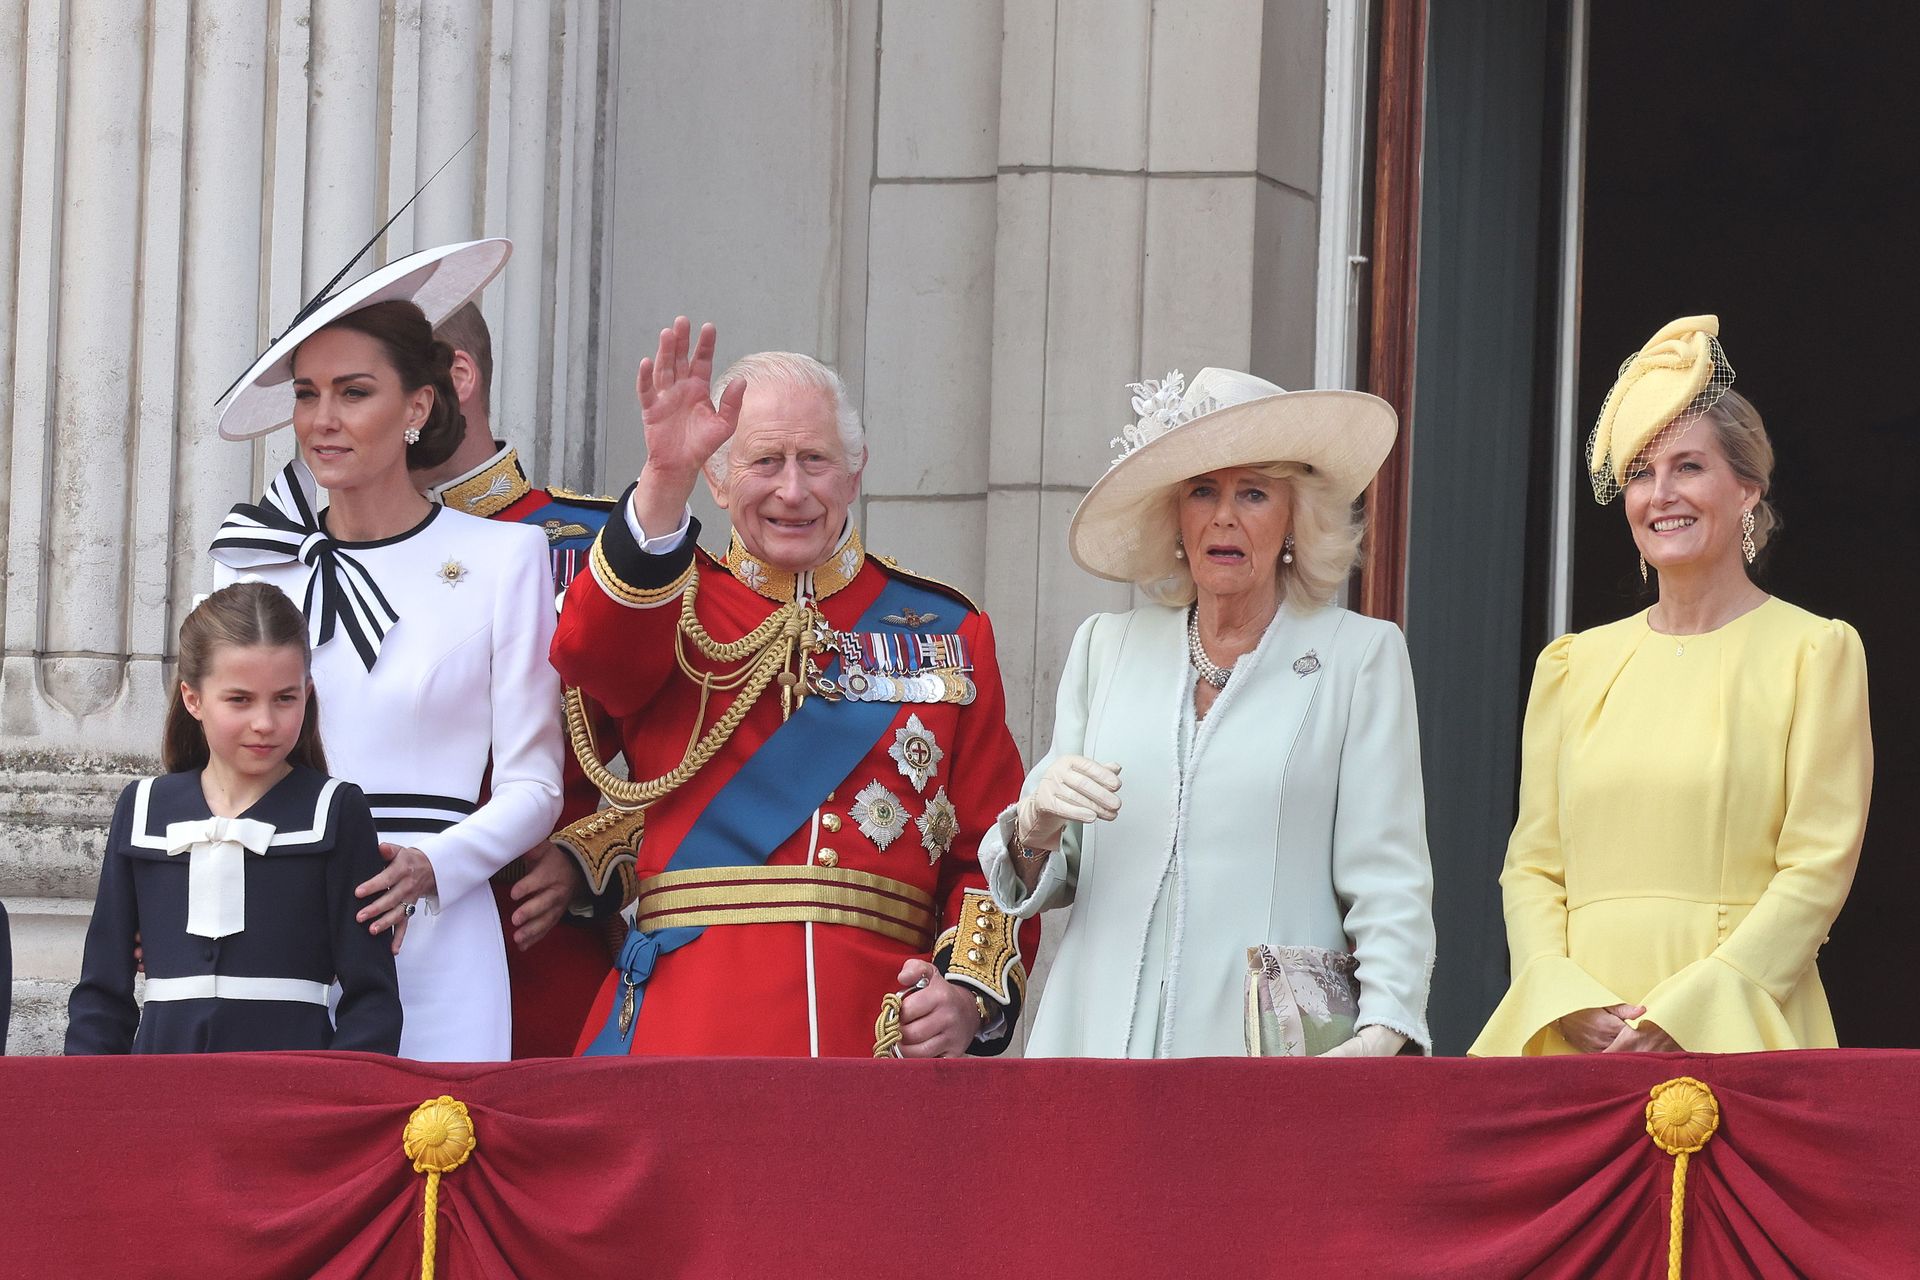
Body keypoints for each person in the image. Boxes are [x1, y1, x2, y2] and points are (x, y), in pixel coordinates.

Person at [549, 317, 1036, 1057]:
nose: (793, 490)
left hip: (874, 1036)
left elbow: (994, 852)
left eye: (816, 460)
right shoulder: (665, 598)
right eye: (764, 461)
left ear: (856, 470)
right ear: (716, 476)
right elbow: (591, 658)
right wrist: (661, 482)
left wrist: (965, 995)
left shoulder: (947, 630)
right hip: (690, 1027)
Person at [979, 368, 1436, 1058]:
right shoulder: (1108, 646)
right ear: (1175, 517)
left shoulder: (1358, 656)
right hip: (1094, 1043)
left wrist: (1384, 1029)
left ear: (1292, 518)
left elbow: (1389, 877)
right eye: (1203, 491)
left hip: (1270, 1057)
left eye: (1253, 493)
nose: (1224, 516)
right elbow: (1048, 868)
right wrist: (1033, 824)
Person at [1472, 315, 1872, 1056]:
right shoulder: (1572, 666)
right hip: (1578, 1034)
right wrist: (1560, 992)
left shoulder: (1815, 652)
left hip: (1737, 1023)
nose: (1660, 494)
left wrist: (1694, 1011)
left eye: (1688, 466)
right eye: (1639, 473)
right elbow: (1532, 864)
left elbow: (1817, 868)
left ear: (1748, 488)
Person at [209, 239, 563, 1061]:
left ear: (418, 406)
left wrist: (434, 865)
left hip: (439, 929)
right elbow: (204, 765)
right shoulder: (249, 564)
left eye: (353, 392)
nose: (322, 420)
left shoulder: (506, 559)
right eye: (307, 394)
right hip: (267, 920)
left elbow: (534, 784)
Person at [65, 583, 402, 1054]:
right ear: (193, 698)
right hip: (159, 1085)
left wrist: (338, 1101)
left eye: (285, 698)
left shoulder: (335, 810)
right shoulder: (142, 808)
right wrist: (89, 1105)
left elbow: (373, 997)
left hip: (290, 1084)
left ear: (308, 693)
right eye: (239, 700)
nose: (264, 722)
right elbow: (102, 991)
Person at [412, 301, 620, 1059]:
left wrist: (589, 856)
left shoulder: (597, 553)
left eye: (361, 387)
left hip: (533, 942)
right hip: (360, 940)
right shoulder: (319, 556)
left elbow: (691, 761)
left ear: (454, 376)